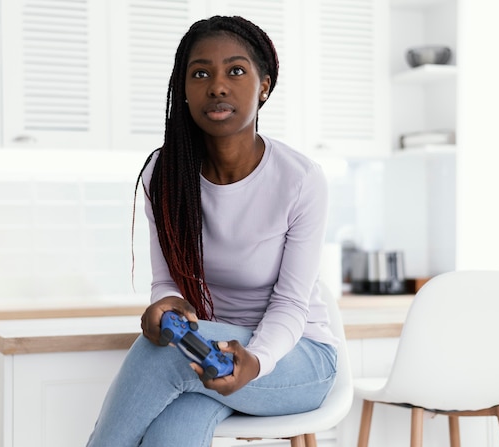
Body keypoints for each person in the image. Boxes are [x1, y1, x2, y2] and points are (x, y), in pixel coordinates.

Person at [86, 15, 339, 447]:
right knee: (172, 433)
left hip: (294, 359)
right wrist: (163, 309)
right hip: (209, 355)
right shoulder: (164, 174)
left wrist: (255, 360)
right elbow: (167, 282)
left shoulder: (299, 179)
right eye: (200, 73)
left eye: (236, 71)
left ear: (264, 85)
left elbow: (292, 304)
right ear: (183, 90)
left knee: (159, 357)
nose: (217, 86)